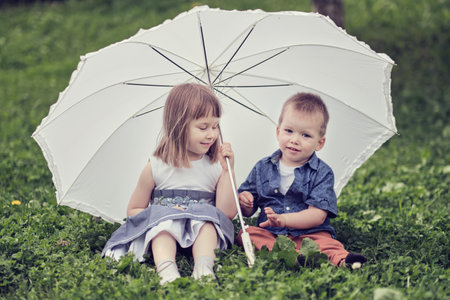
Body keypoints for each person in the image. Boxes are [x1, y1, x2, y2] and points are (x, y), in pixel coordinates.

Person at [102, 83, 237, 284]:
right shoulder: (157, 166)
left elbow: (225, 213)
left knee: (208, 224)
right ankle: (166, 269)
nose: (211, 134)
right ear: (180, 126)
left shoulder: (215, 165)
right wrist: (163, 213)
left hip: (201, 231)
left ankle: (204, 267)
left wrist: (228, 172)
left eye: (215, 126)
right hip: (165, 228)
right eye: (203, 127)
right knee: (163, 226)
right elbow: (134, 209)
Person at [237, 92, 367, 269]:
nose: (294, 140)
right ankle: (296, 257)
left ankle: (344, 261)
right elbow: (247, 209)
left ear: (319, 143)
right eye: (288, 131)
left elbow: (317, 215)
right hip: (272, 233)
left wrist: (284, 220)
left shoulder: (322, 172)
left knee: (326, 243)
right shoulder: (262, 168)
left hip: (311, 233)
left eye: (305, 135)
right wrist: (246, 201)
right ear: (278, 131)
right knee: (247, 233)